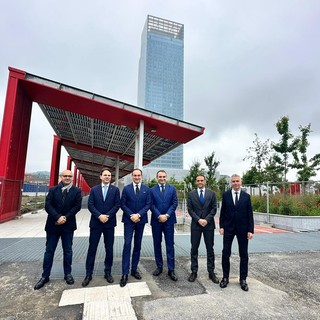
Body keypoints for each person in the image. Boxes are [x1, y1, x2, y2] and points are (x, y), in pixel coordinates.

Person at [34, 170, 82, 290]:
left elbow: (77, 207)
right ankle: (45, 276)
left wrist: (65, 217)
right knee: (49, 251)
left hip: (68, 225)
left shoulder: (77, 191)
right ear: (61, 177)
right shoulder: (53, 190)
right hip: (53, 225)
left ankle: (68, 274)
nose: (67, 178)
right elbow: (48, 205)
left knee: (68, 251)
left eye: (69, 176)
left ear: (72, 178)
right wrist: (58, 217)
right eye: (65, 176)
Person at [82, 168, 120, 287]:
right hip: (96, 224)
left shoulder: (115, 190)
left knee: (109, 249)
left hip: (109, 224)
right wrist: (99, 216)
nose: (107, 177)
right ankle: (88, 274)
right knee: (92, 249)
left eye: (109, 175)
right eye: (105, 175)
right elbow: (90, 205)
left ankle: (107, 272)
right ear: (100, 176)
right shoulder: (94, 190)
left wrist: (107, 216)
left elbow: (117, 205)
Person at [219, 174, 254, 291]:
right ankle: (225, 277)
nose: (235, 183)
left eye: (237, 181)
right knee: (226, 253)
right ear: (231, 183)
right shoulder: (225, 195)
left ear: (241, 182)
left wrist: (250, 230)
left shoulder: (246, 196)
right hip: (228, 229)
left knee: (243, 254)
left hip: (243, 229)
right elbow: (222, 212)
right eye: (233, 181)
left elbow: (250, 214)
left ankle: (243, 279)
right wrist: (221, 226)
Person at [119, 168, 152, 287]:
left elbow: (148, 204)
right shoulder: (127, 189)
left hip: (140, 220)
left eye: (139, 175)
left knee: (137, 245)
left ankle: (134, 269)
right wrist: (131, 215)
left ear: (141, 176)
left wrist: (138, 215)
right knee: (127, 244)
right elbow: (122, 204)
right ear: (132, 176)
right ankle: (124, 273)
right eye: (135, 175)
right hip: (129, 220)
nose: (137, 177)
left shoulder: (146, 189)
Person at [187, 175, 219, 284]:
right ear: (196, 182)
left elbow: (214, 208)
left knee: (210, 249)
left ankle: (211, 272)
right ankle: (194, 271)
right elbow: (190, 209)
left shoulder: (212, 193)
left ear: (205, 181)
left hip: (208, 225)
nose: (200, 182)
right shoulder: (191, 194)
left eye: (202, 180)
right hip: (196, 225)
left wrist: (206, 220)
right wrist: (198, 220)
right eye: (198, 180)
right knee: (194, 249)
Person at [150, 170, 178, 281]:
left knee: (170, 245)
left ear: (166, 177)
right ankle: (159, 266)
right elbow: (150, 204)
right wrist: (159, 215)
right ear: (157, 177)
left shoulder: (172, 189)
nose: (162, 178)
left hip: (169, 220)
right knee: (157, 244)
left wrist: (166, 215)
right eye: (160, 177)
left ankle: (171, 269)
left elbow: (174, 203)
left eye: (164, 176)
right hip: (156, 221)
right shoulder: (151, 190)